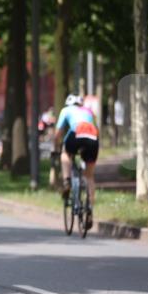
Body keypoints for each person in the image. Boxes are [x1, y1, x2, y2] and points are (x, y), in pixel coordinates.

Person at [53, 94, 99, 229]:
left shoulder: (66, 110)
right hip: (93, 137)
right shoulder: (89, 111)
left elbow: (57, 134)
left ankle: (67, 181)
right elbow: (97, 129)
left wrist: (55, 147)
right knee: (89, 176)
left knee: (65, 154)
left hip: (76, 133)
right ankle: (89, 210)